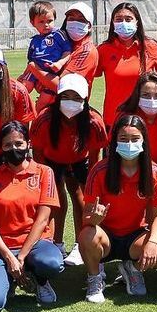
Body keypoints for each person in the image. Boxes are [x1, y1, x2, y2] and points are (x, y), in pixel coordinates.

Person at [79, 114, 157, 303]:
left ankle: (133, 269)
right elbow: (87, 217)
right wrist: (94, 220)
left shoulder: (154, 172)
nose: (129, 144)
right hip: (105, 236)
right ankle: (95, 278)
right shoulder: (99, 171)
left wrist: (153, 242)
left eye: (134, 139)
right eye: (123, 139)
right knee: (87, 235)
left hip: (135, 236)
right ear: (114, 142)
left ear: (143, 141)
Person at [0, 121, 65, 311]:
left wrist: (21, 257)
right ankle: (9, 277)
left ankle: (39, 279)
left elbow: (42, 220)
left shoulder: (44, 172)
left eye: (18, 143)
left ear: (28, 144)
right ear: (1, 148)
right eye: (7, 145)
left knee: (52, 264)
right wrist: (10, 258)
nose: (13, 149)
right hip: (1, 249)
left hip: (36, 245)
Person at [28, 73, 107, 267]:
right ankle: (57, 242)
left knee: (81, 197)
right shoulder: (44, 119)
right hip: (50, 161)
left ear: (85, 99)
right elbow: (37, 151)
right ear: (57, 98)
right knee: (55, 200)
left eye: (76, 98)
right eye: (65, 97)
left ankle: (81, 246)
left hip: (81, 160)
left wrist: (89, 180)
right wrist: (44, 177)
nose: (70, 102)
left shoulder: (94, 121)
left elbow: (95, 154)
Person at [22, 1, 99, 112]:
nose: (75, 23)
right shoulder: (62, 40)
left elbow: (62, 85)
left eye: (81, 20)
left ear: (89, 26)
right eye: (71, 18)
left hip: (70, 111)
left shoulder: (87, 50)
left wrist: (34, 68)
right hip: (52, 109)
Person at [96, 1, 157, 125]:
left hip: (146, 119)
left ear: (137, 22)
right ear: (113, 23)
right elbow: (87, 78)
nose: (123, 23)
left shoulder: (152, 47)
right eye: (119, 19)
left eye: (128, 19)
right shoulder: (103, 50)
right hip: (114, 119)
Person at [19, 1, 71, 95]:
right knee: (22, 89)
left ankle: (36, 110)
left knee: (45, 98)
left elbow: (67, 51)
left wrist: (59, 63)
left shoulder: (58, 35)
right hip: (35, 72)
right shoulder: (34, 41)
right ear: (32, 23)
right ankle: (20, 108)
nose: (46, 24)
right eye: (41, 22)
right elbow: (31, 62)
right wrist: (24, 74)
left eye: (49, 21)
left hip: (52, 73)